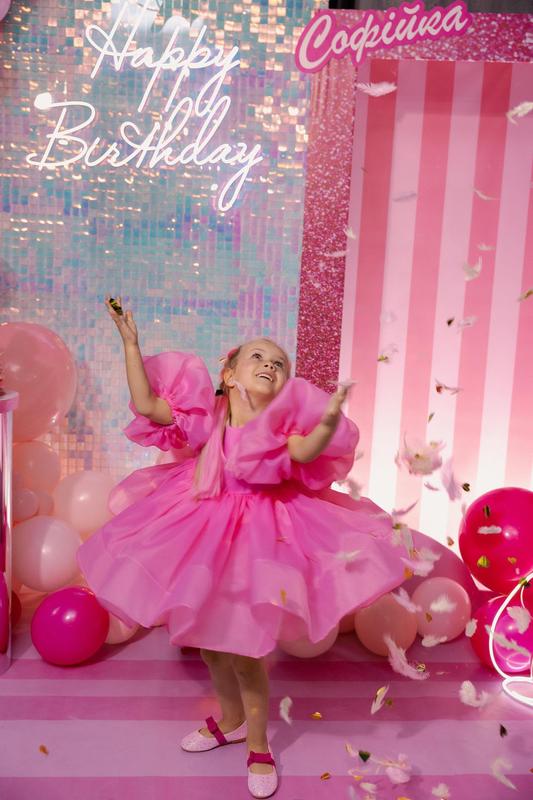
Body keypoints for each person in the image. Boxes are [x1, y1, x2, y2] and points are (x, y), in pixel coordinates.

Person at [77, 295, 407, 799]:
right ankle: (230, 720)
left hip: (262, 535)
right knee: (211, 646)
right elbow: (147, 405)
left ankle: (258, 744)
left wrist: (325, 420)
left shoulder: (279, 429)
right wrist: (130, 346)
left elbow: (305, 450)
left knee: (247, 652)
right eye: (258, 356)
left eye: (279, 363)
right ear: (229, 374)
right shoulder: (208, 417)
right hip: (204, 527)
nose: (269, 365)